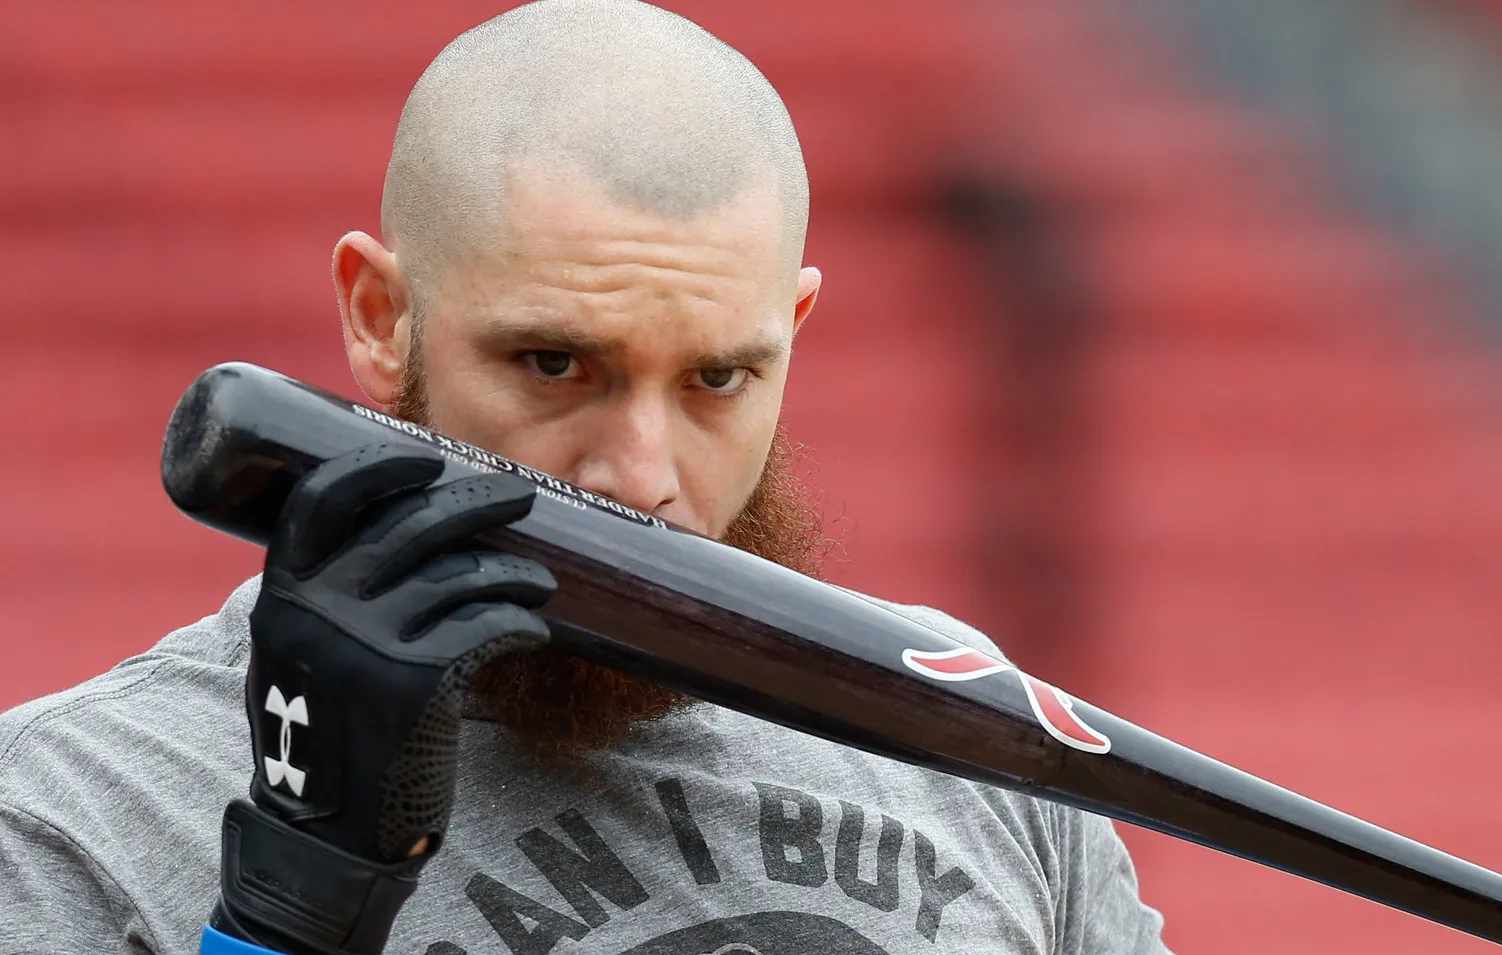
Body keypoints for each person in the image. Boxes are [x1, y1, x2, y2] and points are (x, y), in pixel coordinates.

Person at [0, 3, 1172, 953]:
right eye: (553, 363)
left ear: (792, 332)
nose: (641, 476)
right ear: (381, 317)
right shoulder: (77, 808)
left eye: (718, 377)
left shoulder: (973, 747)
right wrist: (289, 916)